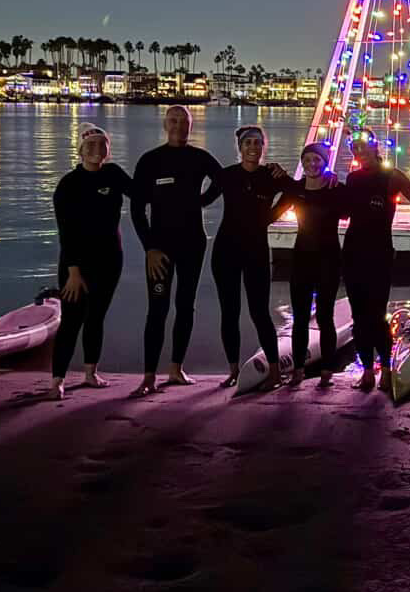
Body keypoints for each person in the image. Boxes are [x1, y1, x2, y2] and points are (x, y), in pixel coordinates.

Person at [131, 105, 224, 395]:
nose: (179, 126)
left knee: (185, 306)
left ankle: (175, 369)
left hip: (193, 244)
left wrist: (202, 201)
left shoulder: (199, 158)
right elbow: (136, 209)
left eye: (184, 121)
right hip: (160, 247)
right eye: (173, 121)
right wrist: (149, 248)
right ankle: (148, 376)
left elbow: (222, 179)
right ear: (165, 124)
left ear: (190, 125)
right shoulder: (150, 161)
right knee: (157, 309)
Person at [48, 125, 133, 400]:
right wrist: (73, 272)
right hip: (76, 265)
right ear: (81, 150)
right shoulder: (68, 184)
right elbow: (66, 231)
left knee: (96, 317)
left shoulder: (113, 174)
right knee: (72, 321)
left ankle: (90, 373)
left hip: (110, 260)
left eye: (102, 144)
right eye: (91, 145)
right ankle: (57, 380)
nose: (97, 150)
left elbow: (142, 193)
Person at [212, 125, 292, 391]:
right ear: (240, 147)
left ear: (263, 147)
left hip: (256, 251)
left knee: (260, 312)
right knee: (229, 312)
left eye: (258, 143)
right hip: (225, 251)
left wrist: (272, 216)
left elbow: (295, 192)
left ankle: (274, 371)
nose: (253, 148)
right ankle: (233, 371)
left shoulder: (270, 175)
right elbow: (201, 200)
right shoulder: (227, 175)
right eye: (248, 143)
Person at [341, 133, 410, 393]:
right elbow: (343, 211)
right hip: (352, 253)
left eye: (364, 146)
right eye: (355, 148)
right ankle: (366, 371)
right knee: (358, 315)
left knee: (376, 314)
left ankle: (386, 369)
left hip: (380, 254)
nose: (360, 151)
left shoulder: (392, 176)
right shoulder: (353, 178)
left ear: (375, 147)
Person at [273, 144, 343, 389]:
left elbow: (359, 211)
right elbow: (271, 214)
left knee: (325, 317)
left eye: (317, 160)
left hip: (329, 260)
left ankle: (326, 370)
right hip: (301, 259)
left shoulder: (336, 189)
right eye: (308, 159)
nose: (312, 164)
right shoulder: (295, 189)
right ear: (302, 162)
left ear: (325, 163)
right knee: (300, 317)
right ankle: (298, 370)